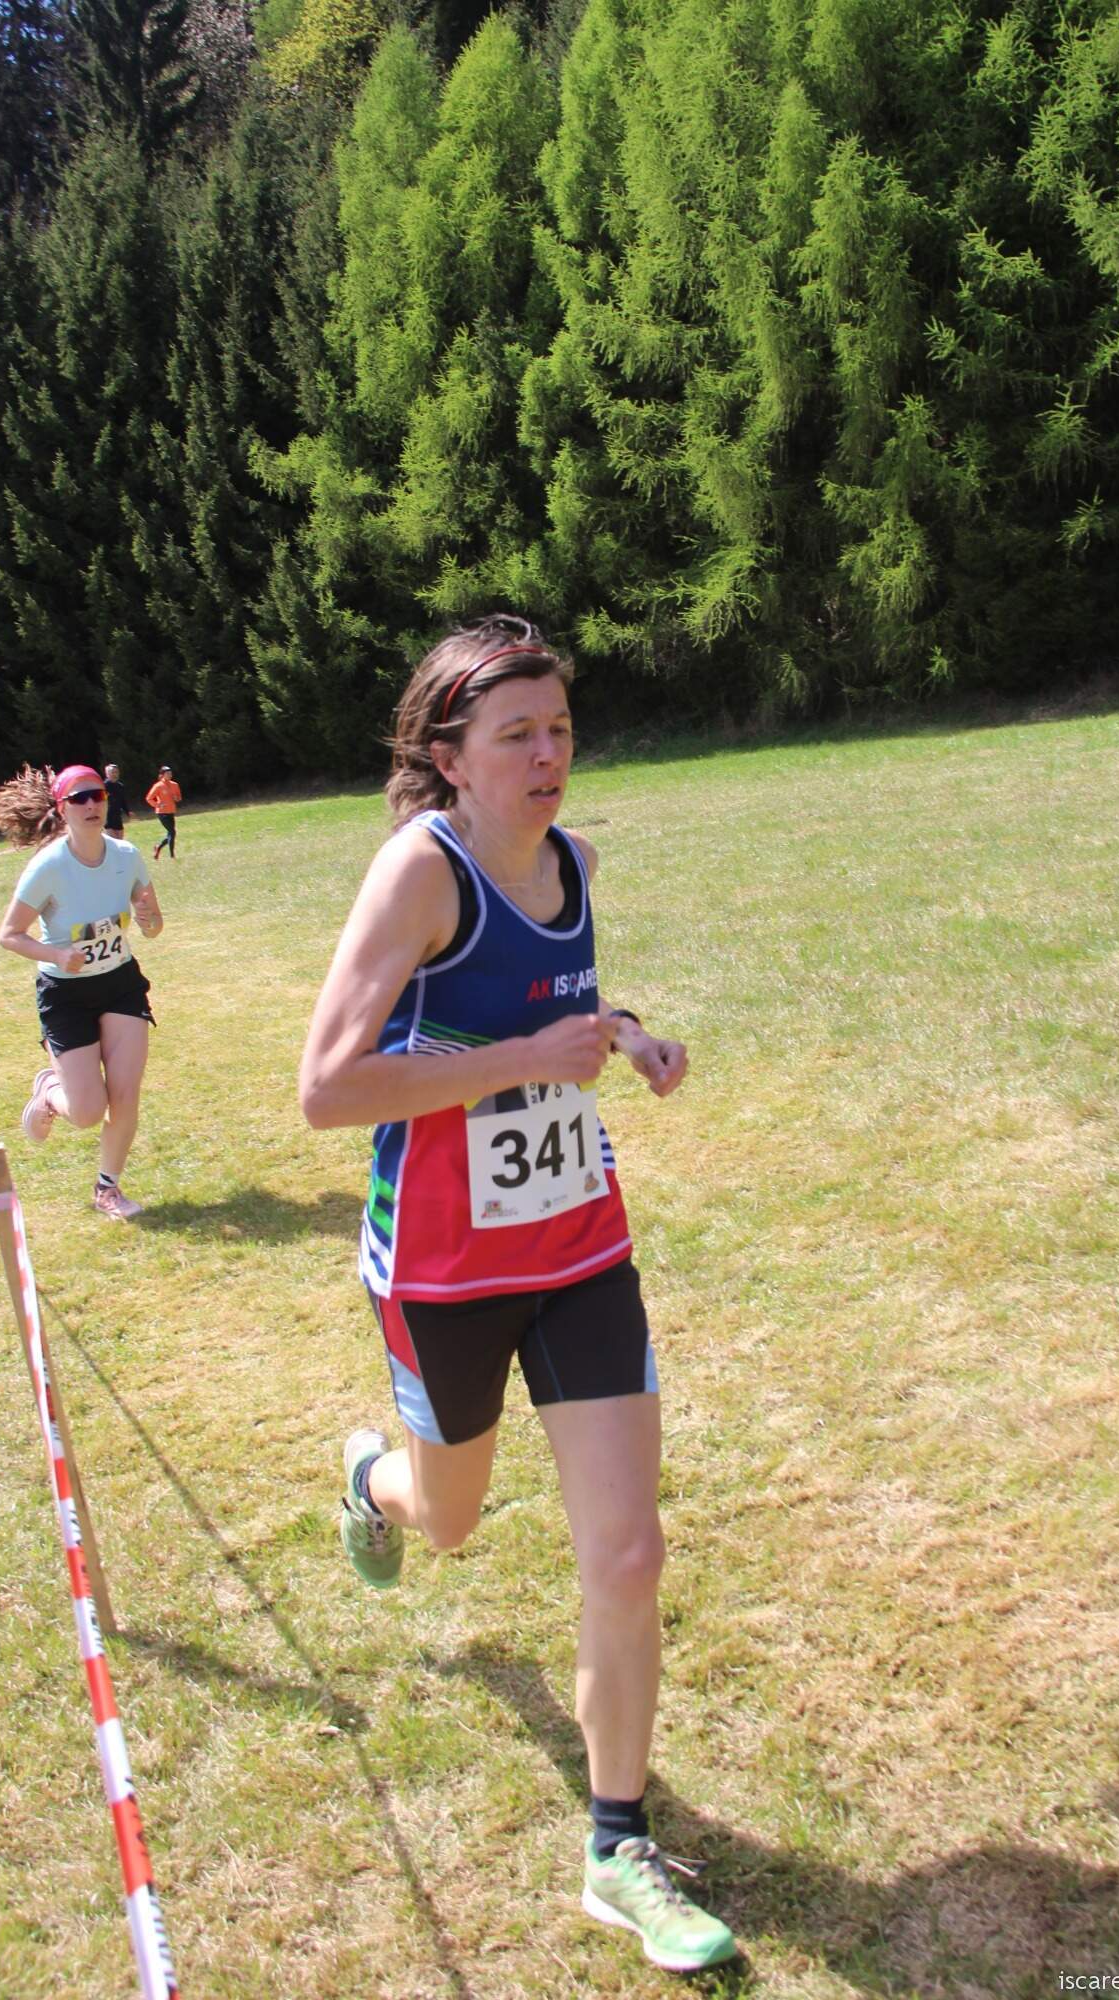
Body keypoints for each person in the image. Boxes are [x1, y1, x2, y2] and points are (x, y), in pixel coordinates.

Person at [299, 615, 737, 1973]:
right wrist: (525, 1058)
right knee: (448, 1520)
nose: (549, 756)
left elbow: (562, 1007)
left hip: (579, 1250)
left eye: (560, 729)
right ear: (450, 756)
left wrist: (624, 1037)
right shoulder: (418, 874)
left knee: (628, 1552)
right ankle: (372, 1480)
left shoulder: (575, 863)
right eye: (516, 736)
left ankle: (617, 1844)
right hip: (441, 1267)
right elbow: (327, 1088)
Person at [0, 763, 164, 1221]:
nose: (91, 804)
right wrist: (55, 954)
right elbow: (9, 935)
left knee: (125, 1096)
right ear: (62, 809)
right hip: (66, 995)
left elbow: (153, 924)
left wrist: (150, 922)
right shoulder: (48, 867)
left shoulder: (126, 856)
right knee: (87, 1111)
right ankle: (50, 1090)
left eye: (97, 795)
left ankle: (108, 1188)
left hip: (120, 985)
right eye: (79, 798)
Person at [146, 764, 181, 860]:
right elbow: (149, 798)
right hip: (161, 813)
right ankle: (172, 856)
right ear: (162, 775)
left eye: (170, 773)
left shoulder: (175, 785)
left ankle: (158, 847)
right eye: (167, 773)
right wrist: (158, 804)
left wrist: (176, 798)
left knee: (170, 833)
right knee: (172, 832)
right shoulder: (158, 786)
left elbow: (179, 797)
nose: (170, 775)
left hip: (171, 811)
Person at [103, 762, 130, 835]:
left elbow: (123, 801)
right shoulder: (103, 786)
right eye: (113, 772)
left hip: (117, 816)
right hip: (107, 817)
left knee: (120, 838)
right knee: (112, 838)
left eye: (116, 772)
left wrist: (128, 811)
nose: (115, 774)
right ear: (107, 774)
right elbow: (101, 801)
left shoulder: (120, 786)